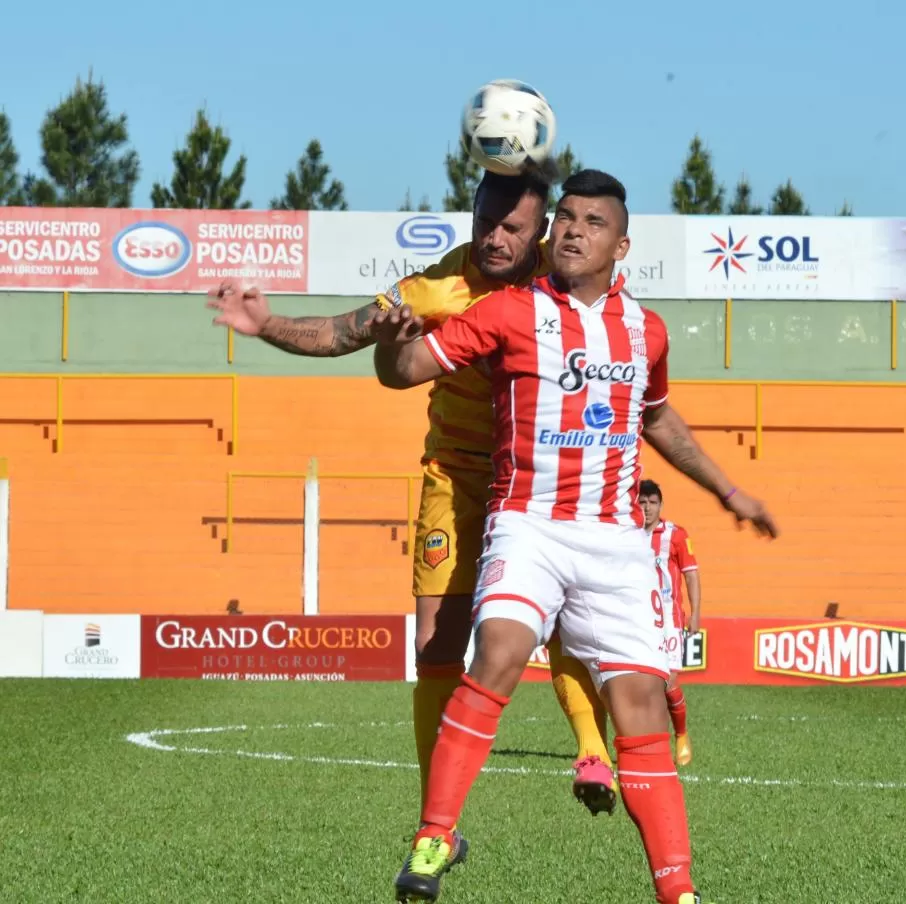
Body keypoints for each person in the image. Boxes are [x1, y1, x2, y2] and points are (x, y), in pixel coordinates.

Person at [372, 169, 778, 904]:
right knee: (498, 649)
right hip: (528, 522)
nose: (571, 231)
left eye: (591, 222)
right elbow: (404, 371)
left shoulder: (645, 331)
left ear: (621, 244)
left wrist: (728, 489)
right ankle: (434, 838)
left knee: (640, 706)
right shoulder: (508, 311)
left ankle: (678, 891)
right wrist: (389, 345)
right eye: (563, 218)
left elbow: (655, 417)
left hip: (616, 540)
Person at [204, 172, 618, 837]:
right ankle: (438, 823)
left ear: (539, 231)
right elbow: (343, 332)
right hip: (456, 476)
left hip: (540, 478)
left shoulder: (558, 275)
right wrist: (266, 323)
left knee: (568, 621)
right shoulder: (435, 289)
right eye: (486, 222)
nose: (495, 238)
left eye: (513, 228)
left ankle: (592, 751)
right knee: (434, 646)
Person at [639, 479, 701, 766]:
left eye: (652, 502)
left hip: (669, 619)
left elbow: (691, 574)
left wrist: (696, 613)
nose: (647, 507)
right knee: (641, 683)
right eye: (642, 502)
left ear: (660, 506)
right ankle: (649, 743)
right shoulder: (627, 534)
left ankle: (681, 735)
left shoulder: (675, 535)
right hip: (636, 618)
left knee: (670, 682)